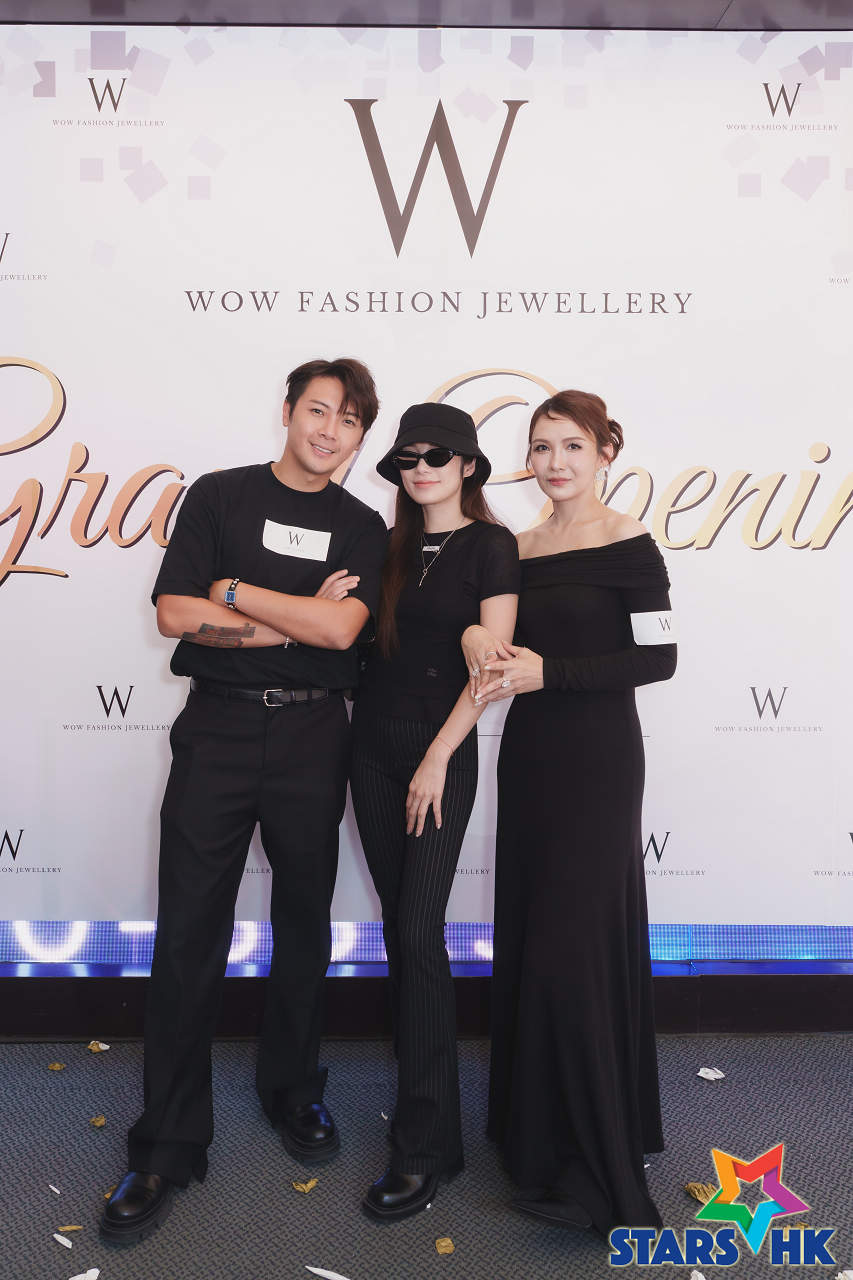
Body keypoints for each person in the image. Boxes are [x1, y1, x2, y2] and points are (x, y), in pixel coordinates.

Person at [100, 357, 388, 1245]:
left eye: (348, 420)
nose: (329, 431)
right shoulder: (220, 496)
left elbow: (341, 631)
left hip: (313, 737)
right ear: (289, 411)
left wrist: (231, 593)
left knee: (303, 921)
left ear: (360, 434)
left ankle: (292, 1090)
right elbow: (173, 615)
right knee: (189, 930)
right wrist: (289, 617)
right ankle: (167, 1142)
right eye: (317, 410)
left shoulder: (361, 525)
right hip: (218, 730)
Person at [467, 389, 676, 1234]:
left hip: (597, 761)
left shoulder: (629, 542)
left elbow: (659, 659)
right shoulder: (515, 549)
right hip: (529, 759)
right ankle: (539, 1141)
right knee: (534, 937)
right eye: (541, 446)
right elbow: (486, 639)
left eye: (572, 446)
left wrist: (549, 674)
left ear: (603, 453)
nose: (554, 462)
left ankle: (595, 1166)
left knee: (574, 948)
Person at [348, 402, 519, 1221]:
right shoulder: (386, 547)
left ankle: (421, 1147)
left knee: (417, 933)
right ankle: (436, 1133)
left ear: (467, 466)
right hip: (369, 751)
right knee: (400, 932)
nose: (420, 470)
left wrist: (438, 756)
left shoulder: (491, 545)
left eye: (436, 457)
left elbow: (492, 667)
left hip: (438, 753)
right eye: (408, 459)